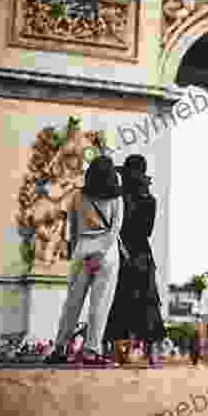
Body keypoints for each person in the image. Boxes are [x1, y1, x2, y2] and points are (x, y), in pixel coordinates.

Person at [45, 155, 123, 365]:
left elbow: (74, 229)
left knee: (71, 304)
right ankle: (91, 351)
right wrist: (99, 254)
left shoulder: (77, 196)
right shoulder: (116, 198)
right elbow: (115, 229)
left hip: (82, 248)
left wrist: (79, 254)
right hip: (107, 252)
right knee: (100, 305)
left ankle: (59, 348)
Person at [103, 154, 165, 366]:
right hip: (143, 255)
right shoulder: (150, 200)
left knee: (118, 302)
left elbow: (114, 226)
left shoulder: (118, 198)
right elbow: (147, 231)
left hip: (121, 253)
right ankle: (152, 353)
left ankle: (115, 353)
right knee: (148, 303)